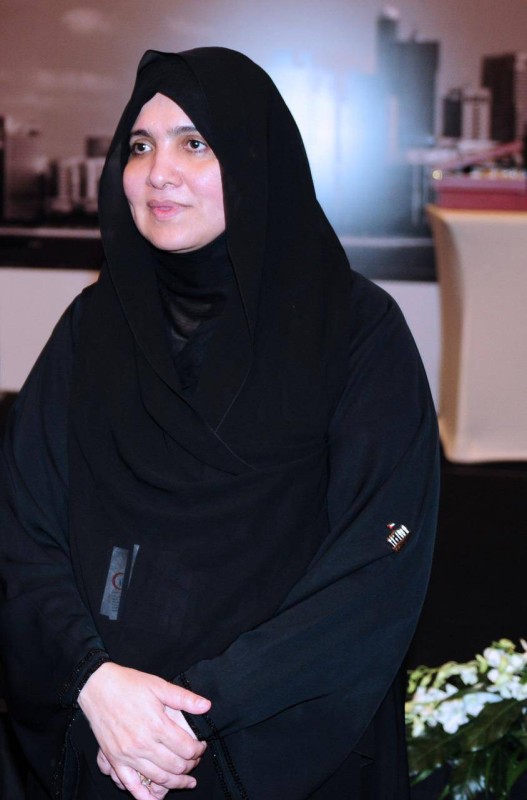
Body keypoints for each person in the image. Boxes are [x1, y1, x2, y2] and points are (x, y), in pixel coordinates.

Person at [0, 47, 439, 799]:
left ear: (257, 161)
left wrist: (191, 718)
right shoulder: (92, 329)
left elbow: (378, 558)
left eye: (195, 143)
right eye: (141, 146)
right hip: (101, 737)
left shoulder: (353, 332)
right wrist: (92, 682)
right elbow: (20, 529)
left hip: (277, 746)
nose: (158, 173)